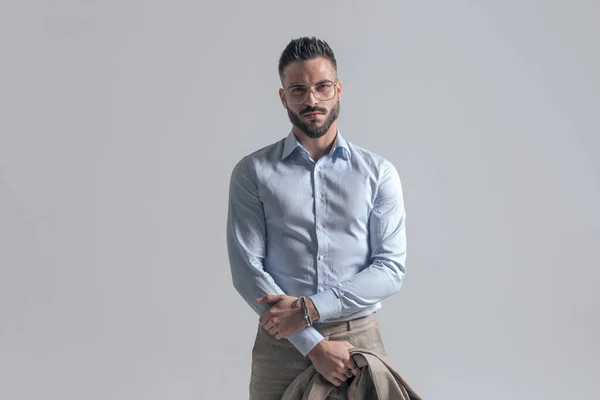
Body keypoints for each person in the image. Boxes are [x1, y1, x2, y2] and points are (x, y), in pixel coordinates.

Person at [227, 36, 408, 399]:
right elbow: (248, 269)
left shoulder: (378, 173)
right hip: (282, 346)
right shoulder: (253, 172)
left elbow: (390, 269)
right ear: (284, 98)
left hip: (358, 341)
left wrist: (310, 308)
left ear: (338, 90)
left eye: (322, 87)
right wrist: (310, 342)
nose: (311, 100)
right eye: (298, 90)